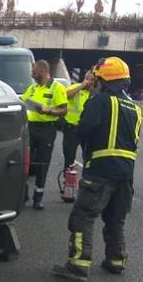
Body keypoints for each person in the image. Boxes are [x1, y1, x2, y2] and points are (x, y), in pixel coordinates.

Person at [52, 57, 141, 281]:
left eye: (97, 79)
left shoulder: (100, 101)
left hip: (101, 171)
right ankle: (116, 260)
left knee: (83, 216)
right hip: (126, 175)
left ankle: (78, 265)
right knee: (115, 219)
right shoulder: (135, 108)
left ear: (103, 80)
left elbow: (84, 130)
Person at [20, 60, 68, 210]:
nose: (32, 73)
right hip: (31, 127)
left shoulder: (57, 87)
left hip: (47, 129)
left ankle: (38, 198)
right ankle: (23, 194)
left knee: (42, 164)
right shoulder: (33, 88)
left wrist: (49, 111)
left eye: (34, 70)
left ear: (43, 70)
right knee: (26, 162)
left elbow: (64, 110)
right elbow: (22, 102)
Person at [62, 71, 95, 169]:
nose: (90, 82)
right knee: (69, 156)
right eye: (88, 79)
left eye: (93, 80)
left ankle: (88, 178)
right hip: (72, 128)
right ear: (84, 79)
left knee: (89, 156)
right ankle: (67, 179)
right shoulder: (75, 87)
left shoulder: (95, 93)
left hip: (86, 130)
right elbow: (66, 95)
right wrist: (81, 86)